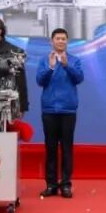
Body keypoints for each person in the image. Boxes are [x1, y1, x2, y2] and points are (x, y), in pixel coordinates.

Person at [36, 28, 84, 198]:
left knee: (66, 148)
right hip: (49, 109)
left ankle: (65, 185)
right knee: (50, 148)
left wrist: (66, 65)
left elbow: (79, 78)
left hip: (68, 109)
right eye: (58, 38)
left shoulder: (75, 60)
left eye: (64, 38)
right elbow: (40, 81)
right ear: (52, 41)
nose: (61, 41)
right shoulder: (44, 60)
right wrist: (50, 67)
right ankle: (51, 185)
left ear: (67, 41)